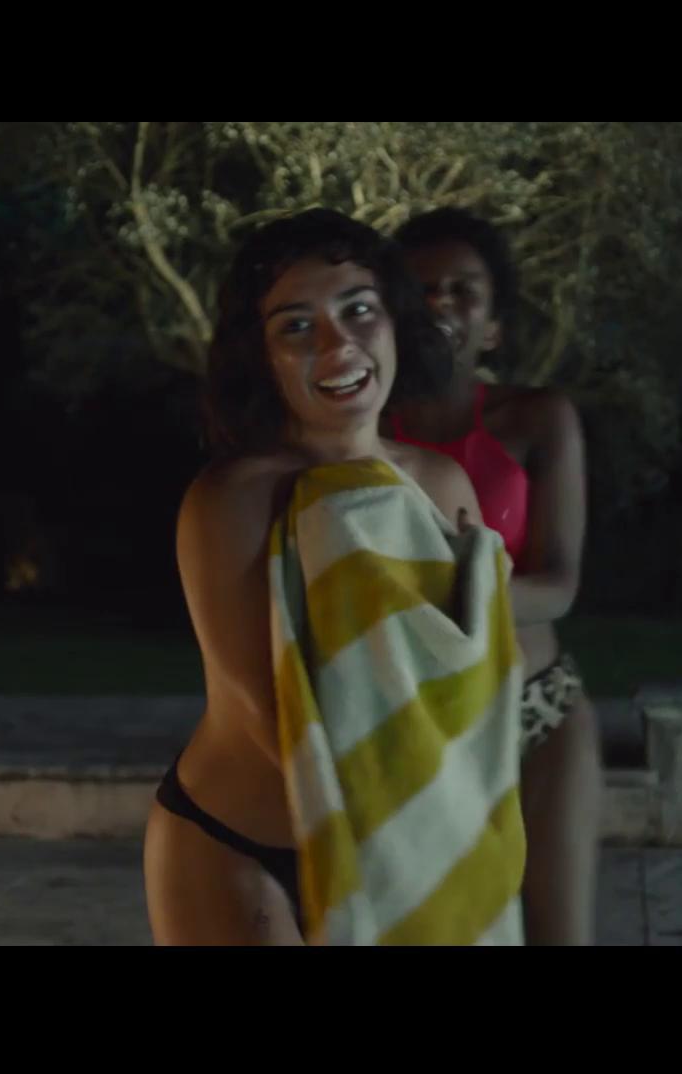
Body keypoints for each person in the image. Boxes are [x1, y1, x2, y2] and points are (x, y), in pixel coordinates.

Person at [143, 209, 490, 945]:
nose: (337, 345)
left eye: (359, 310)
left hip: (404, 849)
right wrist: (403, 841)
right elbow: (267, 709)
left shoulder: (444, 484)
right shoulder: (232, 498)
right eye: (296, 327)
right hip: (242, 847)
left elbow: (464, 679)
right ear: (262, 357)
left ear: (395, 321)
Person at [387, 207, 600, 946]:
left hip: (537, 714)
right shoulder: (362, 437)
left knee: (557, 935)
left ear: (495, 327)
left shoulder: (539, 419)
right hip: (414, 724)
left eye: (463, 290)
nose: (440, 303)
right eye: (420, 289)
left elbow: (560, 584)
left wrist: (451, 589)